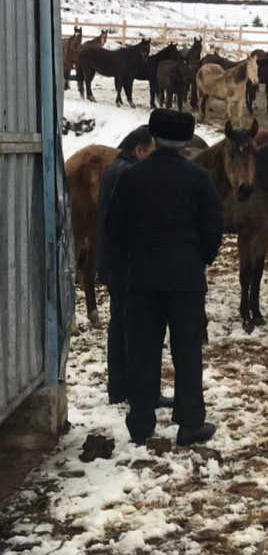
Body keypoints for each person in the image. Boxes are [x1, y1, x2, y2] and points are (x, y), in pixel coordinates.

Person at [106, 109, 224, 446]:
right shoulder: (198, 178)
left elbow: (113, 226)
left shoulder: (131, 176)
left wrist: (133, 258)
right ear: (185, 140)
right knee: (187, 352)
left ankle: (141, 422)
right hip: (185, 279)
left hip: (142, 278)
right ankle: (190, 423)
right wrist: (199, 259)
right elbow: (213, 227)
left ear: (154, 138)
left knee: (142, 349)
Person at [97, 126, 155, 404]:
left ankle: (119, 387)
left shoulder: (115, 169)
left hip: (114, 262)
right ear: (139, 151)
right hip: (125, 264)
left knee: (119, 323)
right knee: (129, 326)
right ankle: (129, 388)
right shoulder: (128, 174)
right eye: (152, 152)